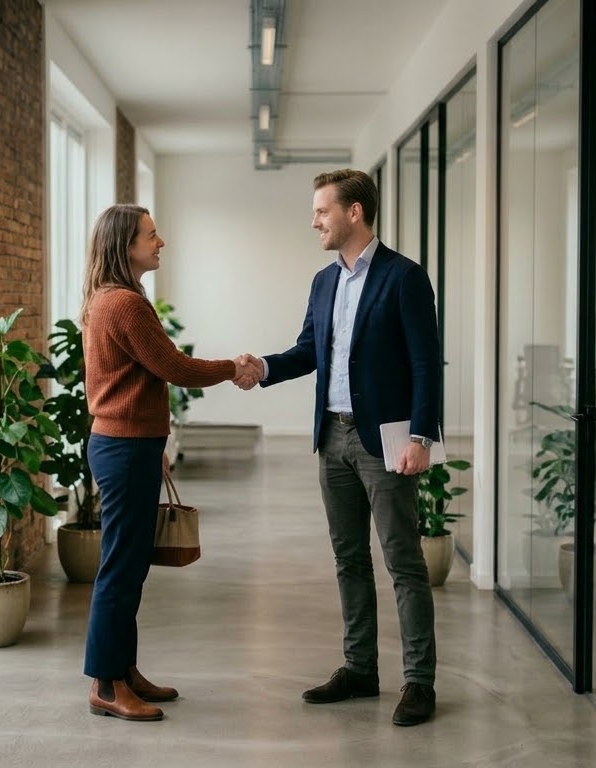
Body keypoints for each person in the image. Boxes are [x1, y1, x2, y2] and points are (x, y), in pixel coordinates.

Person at [236, 169, 441, 726]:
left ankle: (419, 682)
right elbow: (310, 350)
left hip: (386, 441)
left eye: (322, 210)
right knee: (348, 559)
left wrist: (421, 437)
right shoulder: (324, 282)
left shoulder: (405, 277)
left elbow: (426, 363)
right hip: (333, 437)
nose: (314, 221)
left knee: (403, 561)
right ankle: (360, 669)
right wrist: (266, 368)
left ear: (355, 212)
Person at [80, 204, 261, 722]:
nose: (161, 243)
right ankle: (107, 686)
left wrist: (151, 441)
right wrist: (233, 367)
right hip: (123, 449)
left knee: (131, 566)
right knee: (121, 567)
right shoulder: (125, 305)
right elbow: (173, 368)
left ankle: (121, 670)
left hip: (127, 445)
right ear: (125, 245)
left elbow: (131, 383)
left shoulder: (111, 300)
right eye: (152, 235)